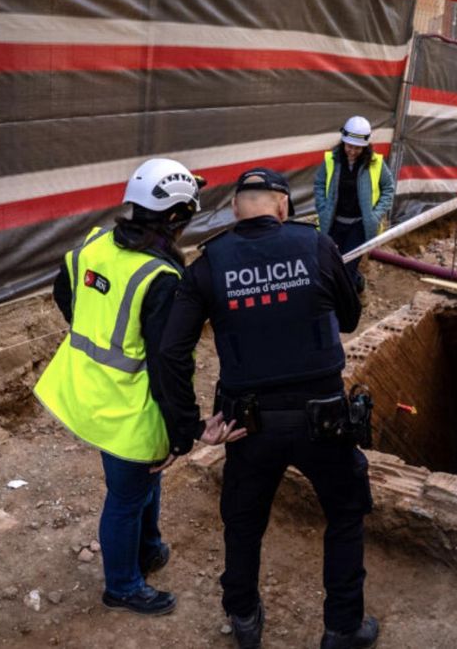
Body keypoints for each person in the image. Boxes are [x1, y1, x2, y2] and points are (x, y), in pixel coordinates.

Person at [157, 169, 375, 649]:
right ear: (282, 205)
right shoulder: (317, 247)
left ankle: (244, 617)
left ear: (236, 209)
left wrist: (190, 426)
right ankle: (342, 627)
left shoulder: (210, 263)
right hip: (325, 421)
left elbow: (172, 352)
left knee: (243, 521)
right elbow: (351, 318)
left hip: (247, 425)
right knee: (343, 515)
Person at [33, 158, 245, 616]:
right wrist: (183, 430)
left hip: (84, 389)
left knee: (146, 476)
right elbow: (171, 365)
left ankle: (148, 548)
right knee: (126, 496)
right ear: (172, 218)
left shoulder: (96, 242)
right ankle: (123, 585)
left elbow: (63, 292)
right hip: (126, 407)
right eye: (186, 213)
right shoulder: (162, 279)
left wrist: (90, 323)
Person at [313, 116, 395, 293]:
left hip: (359, 225)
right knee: (331, 263)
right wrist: (322, 208)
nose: (352, 151)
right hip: (334, 223)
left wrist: (375, 214)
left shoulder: (375, 163)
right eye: (349, 146)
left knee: (347, 268)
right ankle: (356, 282)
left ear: (365, 146)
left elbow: (389, 189)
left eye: (357, 148)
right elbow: (319, 183)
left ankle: (346, 303)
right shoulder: (332, 160)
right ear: (343, 142)